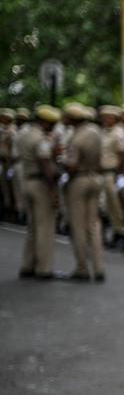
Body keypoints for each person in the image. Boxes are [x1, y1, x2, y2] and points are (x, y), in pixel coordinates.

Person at [17, 105, 60, 279]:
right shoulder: (41, 140)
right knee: (45, 228)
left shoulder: (24, 135)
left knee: (32, 227)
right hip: (40, 184)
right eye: (51, 124)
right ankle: (44, 268)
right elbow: (46, 167)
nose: (53, 127)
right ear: (44, 122)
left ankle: (28, 265)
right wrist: (53, 191)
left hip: (27, 181)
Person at [63, 103, 105, 281]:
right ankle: (99, 267)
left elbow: (72, 165)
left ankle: (82, 267)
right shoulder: (95, 131)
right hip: (95, 177)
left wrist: (61, 160)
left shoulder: (76, 137)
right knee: (94, 226)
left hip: (79, 179)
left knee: (78, 226)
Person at [98, 105, 124, 248]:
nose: (105, 119)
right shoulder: (104, 132)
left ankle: (123, 234)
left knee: (116, 206)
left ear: (115, 119)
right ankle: (114, 233)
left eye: (108, 117)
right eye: (104, 117)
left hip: (113, 173)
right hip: (103, 173)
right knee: (106, 207)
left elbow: (123, 155)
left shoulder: (119, 133)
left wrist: (120, 174)